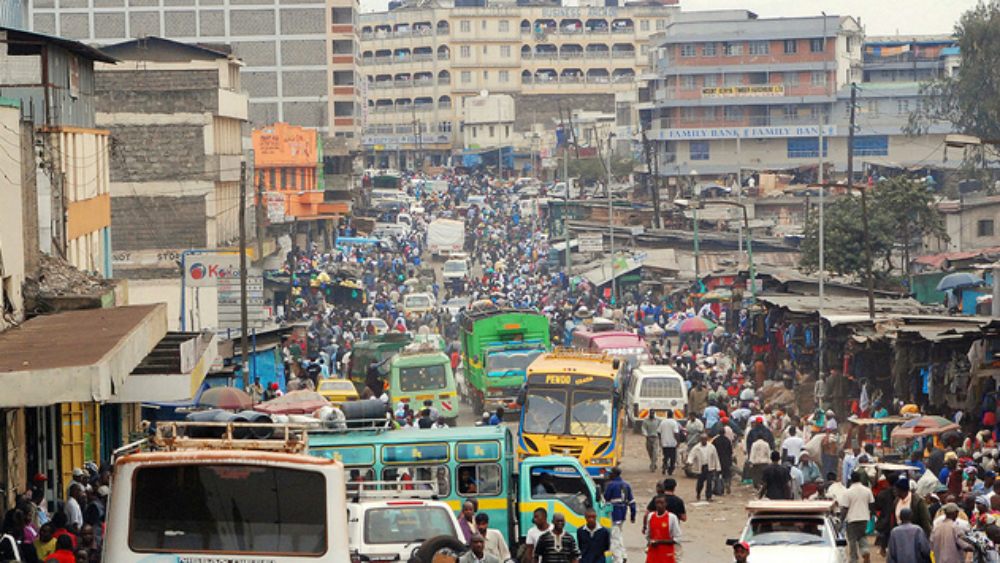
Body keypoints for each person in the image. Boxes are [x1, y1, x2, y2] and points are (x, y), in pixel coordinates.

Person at [602, 467, 635, 563]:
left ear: (614, 474)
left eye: (610, 473)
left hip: (614, 515)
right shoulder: (626, 485)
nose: (609, 475)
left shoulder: (611, 485)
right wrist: (633, 516)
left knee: (614, 537)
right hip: (622, 514)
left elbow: (606, 499)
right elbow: (632, 502)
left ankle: (618, 559)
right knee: (619, 534)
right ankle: (624, 555)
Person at [843, 471, 875, 563]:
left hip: (852, 519)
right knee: (862, 536)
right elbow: (872, 504)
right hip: (864, 518)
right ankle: (866, 551)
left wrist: (841, 521)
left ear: (851, 480)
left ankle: (854, 559)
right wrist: (872, 515)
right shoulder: (867, 490)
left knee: (852, 540)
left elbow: (845, 508)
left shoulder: (848, 492)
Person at [645, 495, 681, 563]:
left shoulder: (672, 518)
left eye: (661, 503)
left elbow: (677, 539)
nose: (659, 505)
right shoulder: (651, 516)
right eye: (657, 503)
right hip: (653, 552)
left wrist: (659, 542)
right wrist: (650, 542)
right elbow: (648, 534)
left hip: (666, 553)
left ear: (666, 504)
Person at [688, 434, 721, 502]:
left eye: (705, 439)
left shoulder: (711, 447)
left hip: (709, 467)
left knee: (709, 482)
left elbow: (715, 458)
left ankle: (708, 496)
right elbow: (691, 455)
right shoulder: (696, 448)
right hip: (701, 467)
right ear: (700, 440)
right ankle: (698, 493)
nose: (704, 440)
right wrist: (689, 461)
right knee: (700, 482)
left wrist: (717, 468)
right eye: (702, 439)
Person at [657, 412, 680, 476]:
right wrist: (678, 441)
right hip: (672, 443)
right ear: (672, 415)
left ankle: (664, 465)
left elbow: (658, 432)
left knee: (666, 456)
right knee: (673, 458)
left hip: (664, 443)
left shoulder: (662, 422)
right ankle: (670, 470)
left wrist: (660, 439)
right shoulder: (674, 422)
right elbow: (676, 433)